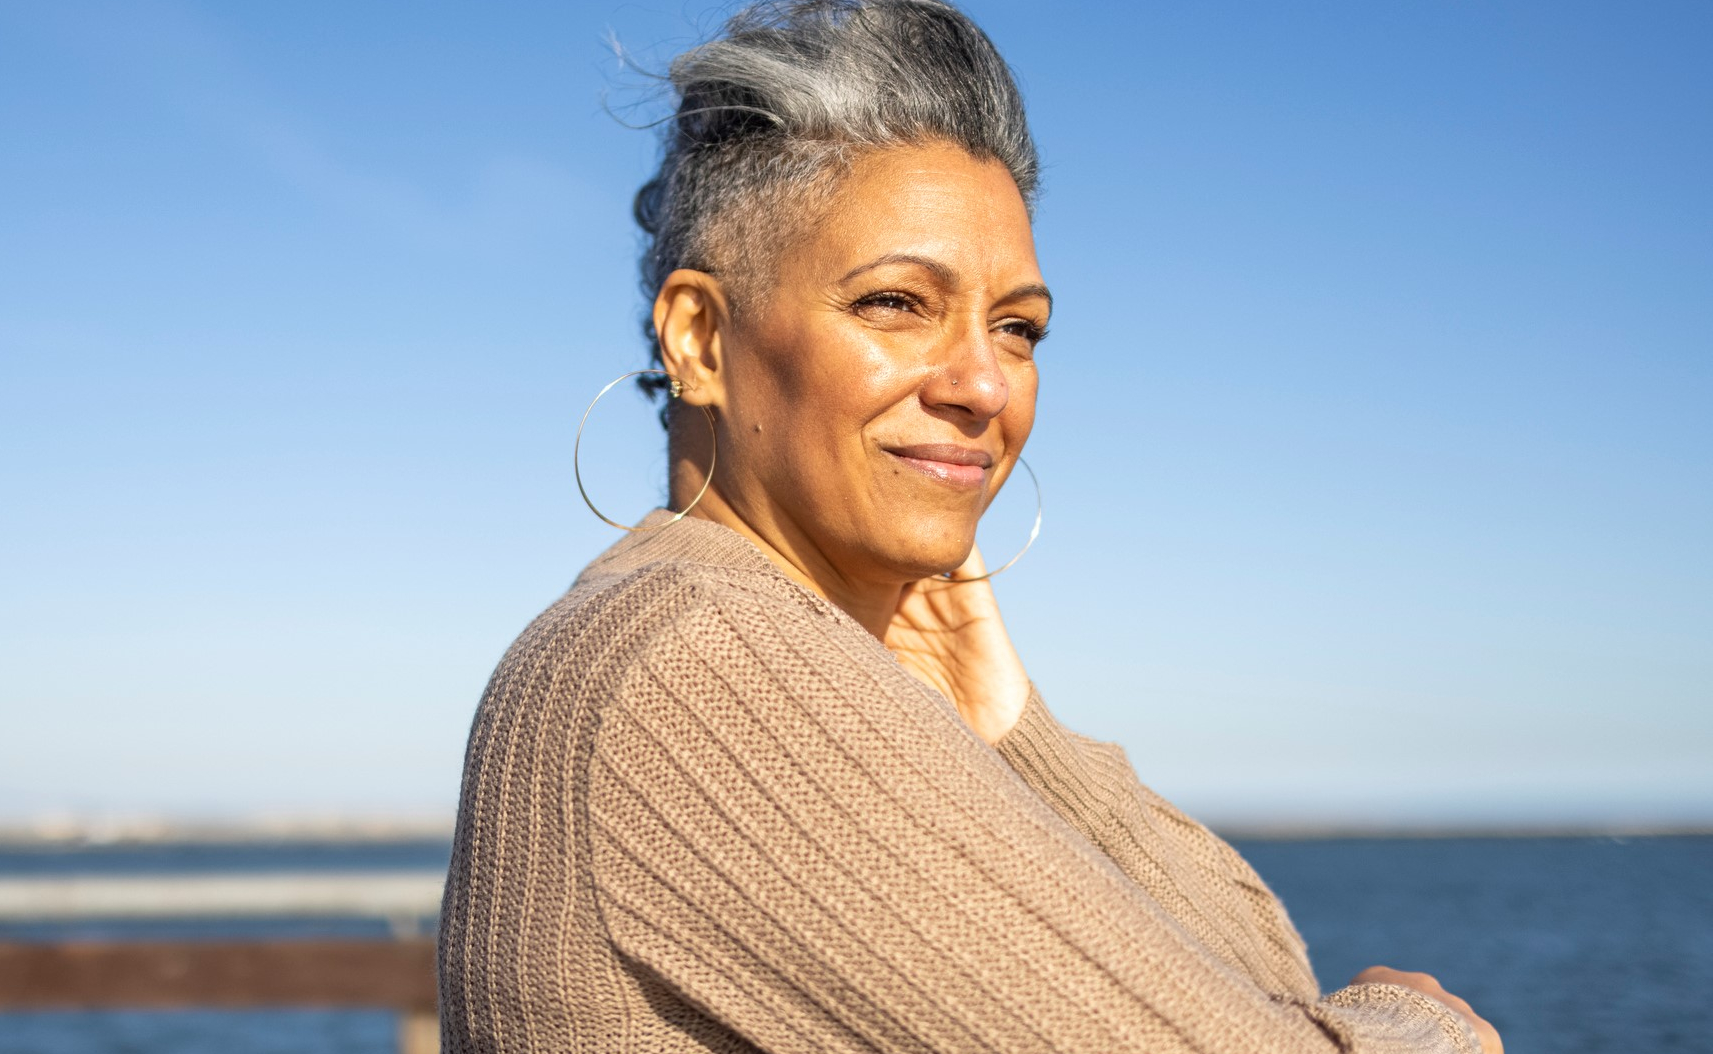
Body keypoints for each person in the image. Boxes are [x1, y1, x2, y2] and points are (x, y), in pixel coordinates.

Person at [437, 2, 1504, 1051]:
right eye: (896, 302)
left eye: (1016, 326)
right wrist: (1432, 1027)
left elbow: (1272, 981)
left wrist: (1003, 724)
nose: (985, 384)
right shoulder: (692, 660)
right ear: (700, 337)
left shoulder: (696, 637)